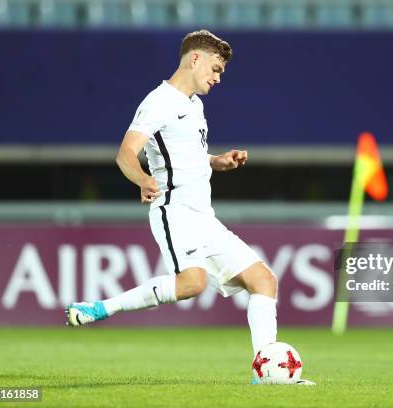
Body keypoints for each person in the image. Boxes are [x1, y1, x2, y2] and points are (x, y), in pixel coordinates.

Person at [65, 29, 313, 385]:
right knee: (192, 283)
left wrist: (217, 161)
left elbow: (189, 157)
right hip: (174, 210)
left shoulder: (195, 106)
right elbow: (125, 154)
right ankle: (103, 307)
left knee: (263, 280)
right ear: (194, 59)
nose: (217, 78)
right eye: (215, 69)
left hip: (204, 215)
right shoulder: (158, 102)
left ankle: (265, 371)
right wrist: (142, 179)